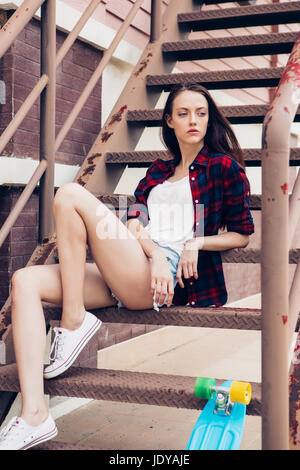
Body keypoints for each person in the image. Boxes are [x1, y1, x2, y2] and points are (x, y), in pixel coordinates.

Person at [0, 83, 254, 449]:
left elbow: (243, 233)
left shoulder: (223, 168)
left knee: (70, 195)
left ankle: (73, 321)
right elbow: (134, 220)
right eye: (183, 113)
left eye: (200, 112)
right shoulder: (157, 171)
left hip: (161, 278)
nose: (193, 120)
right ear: (169, 121)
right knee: (24, 281)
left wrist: (195, 242)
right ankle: (35, 414)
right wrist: (151, 254)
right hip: (137, 262)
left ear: (210, 117)